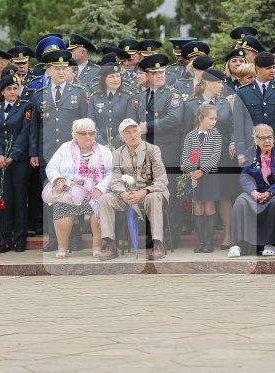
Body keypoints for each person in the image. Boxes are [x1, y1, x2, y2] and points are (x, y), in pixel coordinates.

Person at [29, 49, 88, 252]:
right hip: (47, 154)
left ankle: (74, 238)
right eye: (57, 68)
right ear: (48, 70)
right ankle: (54, 238)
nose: (61, 72)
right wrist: (33, 153)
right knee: (50, 196)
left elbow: (86, 125)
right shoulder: (38, 95)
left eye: (64, 68)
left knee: (74, 194)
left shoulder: (79, 93)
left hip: (72, 154)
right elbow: (34, 128)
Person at [132, 53, 184, 251]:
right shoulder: (139, 96)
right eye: (155, 72)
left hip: (166, 152)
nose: (160, 75)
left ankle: (170, 237)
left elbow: (174, 119)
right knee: (147, 195)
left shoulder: (173, 94)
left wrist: (148, 127)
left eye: (162, 72)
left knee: (166, 196)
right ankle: (153, 236)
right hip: (145, 153)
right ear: (146, 75)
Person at [98, 119, 170, 261]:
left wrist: (144, 192)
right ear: (121, 137)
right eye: (128, 133)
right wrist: (123, 193)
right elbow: (115, 180)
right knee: (104, 199)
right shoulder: (117, 154)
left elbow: (162, 179)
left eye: (135, 131)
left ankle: (158, 244)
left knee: (153, 198)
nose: (132, 135)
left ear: (140, 132)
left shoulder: (152, 150)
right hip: (127, 195)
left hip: (149, 193)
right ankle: (110, 245)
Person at [45, 119, 113, 258]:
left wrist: (100, 188)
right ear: (74, 135)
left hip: (95, 192)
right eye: (82, 133)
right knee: (61, 206)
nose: (87, 136)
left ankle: (97, 247)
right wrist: (58, 179)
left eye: (91, 133)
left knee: (100, 204)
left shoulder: (104, 151)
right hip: (71, 191)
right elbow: (51, 167)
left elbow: (112, 173)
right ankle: (62, 248)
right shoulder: (65, 148)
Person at [227, 124, 275, 257]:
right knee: (240, 201)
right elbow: (245, 176)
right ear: (255, 140)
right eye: (263, 138)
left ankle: (270, 243)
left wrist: (270, 192)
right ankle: (237, 244)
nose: (267, 141)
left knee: (274, 203)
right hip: (255, 192)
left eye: (269, 137)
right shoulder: (250, 153)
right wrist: (253, 192)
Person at [0, 75, 31, 253]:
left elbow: (25, 133)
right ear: (2, 91)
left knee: (20, 199)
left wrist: (12, 155)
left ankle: (20, 239)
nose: (13, 92)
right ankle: (5, 239)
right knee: (3, 199)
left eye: (15, 88)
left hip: (19, 161)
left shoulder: (25, 107)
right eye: (9, 89)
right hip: (0, 162)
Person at [234, 52, 275, 164]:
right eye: (268, 68)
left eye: (273, 67)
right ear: (257, 68)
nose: (272, 71)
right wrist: (241, 153)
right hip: (252, 149)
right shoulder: (243, 92)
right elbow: (239, 124)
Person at [181, 104, 222, 253]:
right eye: (211, 118)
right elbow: (186, 155)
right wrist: (192, 171)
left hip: (209, 175)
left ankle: (209, 242)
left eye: (215, 119)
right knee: (197, 207)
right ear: (200, 118)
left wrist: (202, 170)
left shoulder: (216, 135)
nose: (214, 121)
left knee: (209, 206)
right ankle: (201, 242)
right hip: (194, 176)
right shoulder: (190, 136)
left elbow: (216, 155)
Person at [87, 63, 134, 149]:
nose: (116, 79)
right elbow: (91, 123)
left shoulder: (128, 97)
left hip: (123, 145)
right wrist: (101, 143)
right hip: (99, 145)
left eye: (118, 76)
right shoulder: (94, 98)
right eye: (112, 77)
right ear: (104, 79)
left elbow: (129, 122)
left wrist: (115, 144)